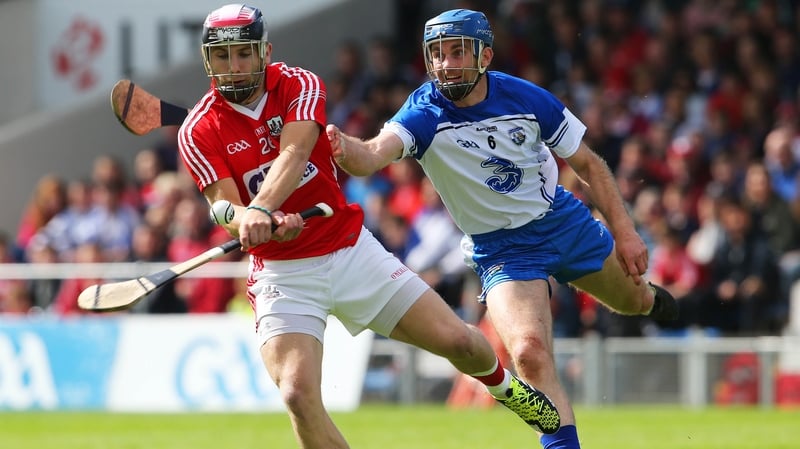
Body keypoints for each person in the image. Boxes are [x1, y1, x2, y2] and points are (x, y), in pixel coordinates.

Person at [176, 4, 559, 448]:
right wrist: (250, 221)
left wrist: (259, 207)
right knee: (297, 394)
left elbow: (295, 153)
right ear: (208, 60)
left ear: (264, 52)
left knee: (460, 343)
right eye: (222, 57)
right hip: (284, 275)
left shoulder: (298, 83)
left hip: (349, 250)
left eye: (243, 54)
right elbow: (224, 207)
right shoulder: (198, 129)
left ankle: (507, 390)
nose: (233, 66)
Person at [326, 9, 679, 449]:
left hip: (562, 222)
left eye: (457, 52)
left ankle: (651, 303)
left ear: (485, 55)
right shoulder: (424, 111)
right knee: (528, 353)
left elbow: (588, 163)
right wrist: (344, 147)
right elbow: (374, 154)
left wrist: (625, 231)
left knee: (634, 300)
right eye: (437, 54)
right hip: (503, 250)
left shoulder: (527, 98)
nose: (445, 63)